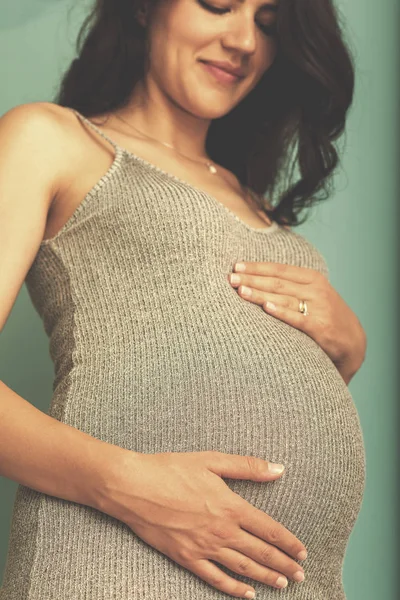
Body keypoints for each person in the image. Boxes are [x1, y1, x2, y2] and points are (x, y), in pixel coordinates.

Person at [0, 0, 367, 598]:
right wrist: (128, 485)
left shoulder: (260, 209)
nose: (245, 39)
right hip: (112, 568)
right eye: (218, 4)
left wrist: (350, 345)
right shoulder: (56, 140)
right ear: (145, 8)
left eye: (269, 24)